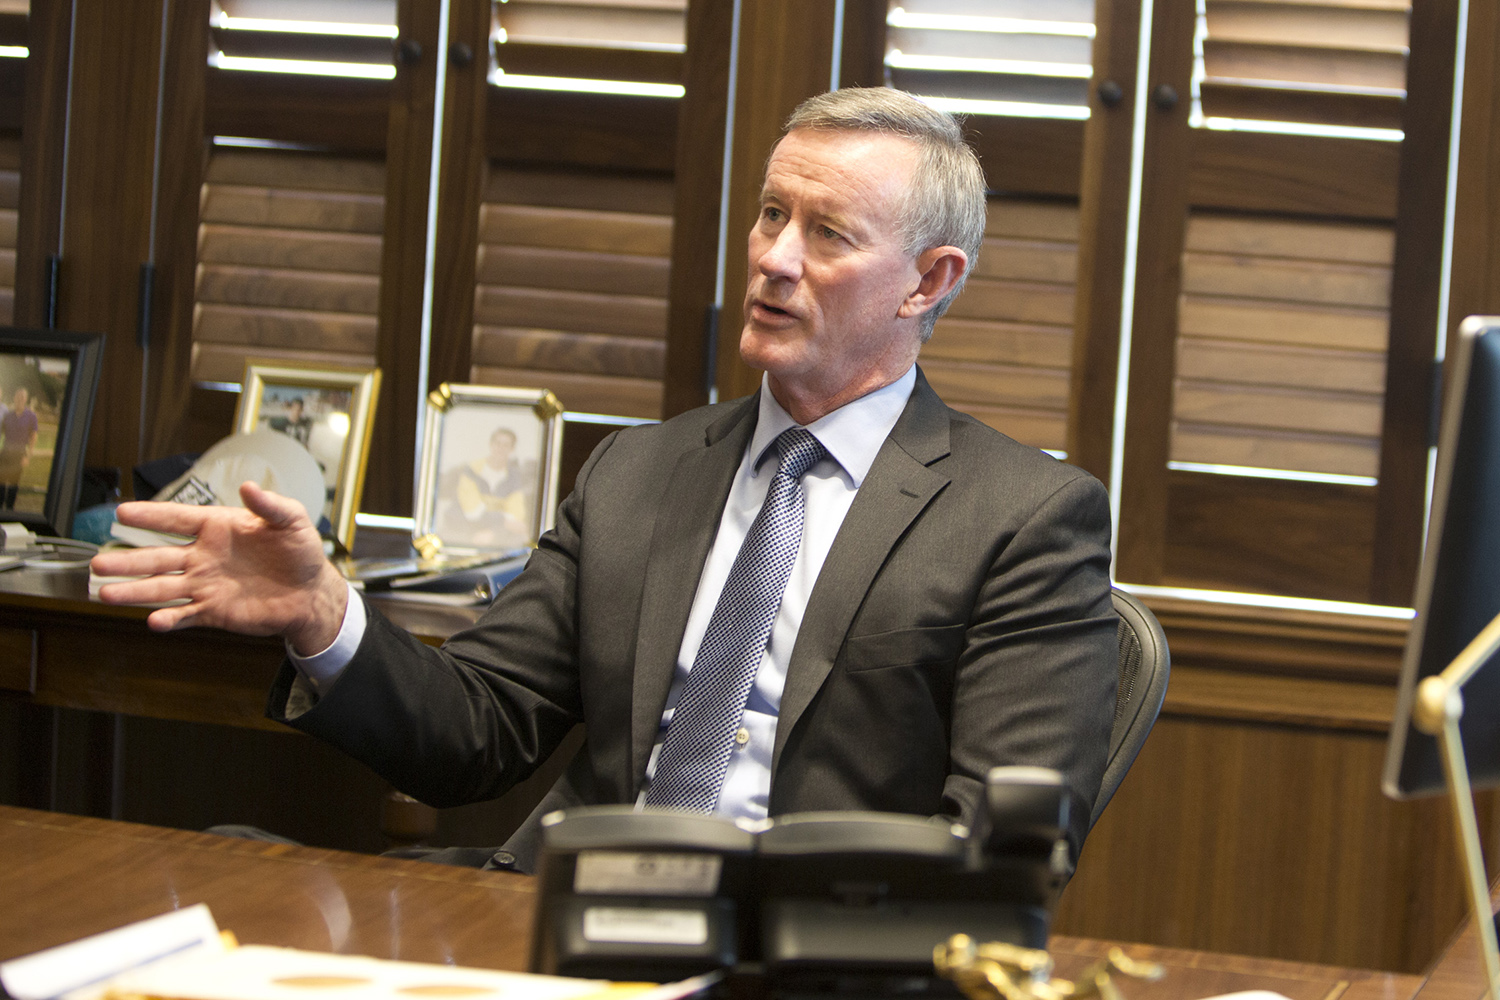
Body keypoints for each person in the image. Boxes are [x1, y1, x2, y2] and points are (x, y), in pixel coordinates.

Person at [92, 88, 1117, 873]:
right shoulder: (642, 470)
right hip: (559, 917)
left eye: (828, 233)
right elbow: (473, 732)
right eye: (770, 214)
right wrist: (324, 615)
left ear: (930, 282)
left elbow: (999, 851)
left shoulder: (1020, 518)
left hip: (802, 956)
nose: (772, 259)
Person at [438, 427, 535, 550]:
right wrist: (503, 521)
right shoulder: (471, 470)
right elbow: (473, 512)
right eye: (497, 443)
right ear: (491, 444)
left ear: (512, 449)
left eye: (506, 445)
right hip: (461, 527)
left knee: (523, 540)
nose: (500, 448)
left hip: (492, 534)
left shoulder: (514, 477)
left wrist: (494, 533)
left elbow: (515, 516)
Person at [0, 387, 39, 510]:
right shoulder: (8, 415)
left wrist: (28, 456)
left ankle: (9, 510)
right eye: (17, 397)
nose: (19, 399)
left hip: (19, 454)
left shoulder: (31, 416)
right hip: (6, 452)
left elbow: (33, 437)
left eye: (22, 397)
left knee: (13, 484)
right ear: (14, 398)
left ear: (25, 399)